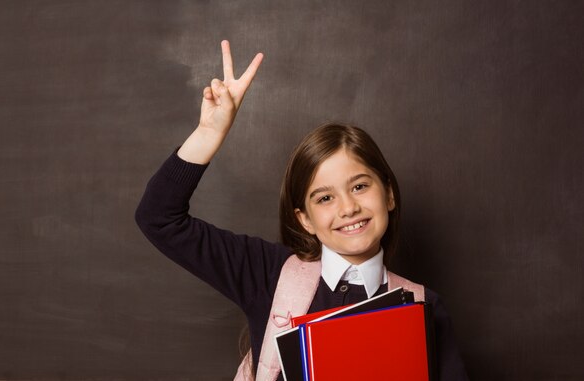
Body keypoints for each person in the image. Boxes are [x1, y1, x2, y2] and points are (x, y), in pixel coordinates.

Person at [135, 40, 468, 380]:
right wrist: (209, 133)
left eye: (359, 186)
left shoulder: (424, 306)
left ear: (390, 195)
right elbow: (158, 218)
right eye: (325, 198)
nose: (348, 207)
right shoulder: (268, 274)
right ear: (304, 220)